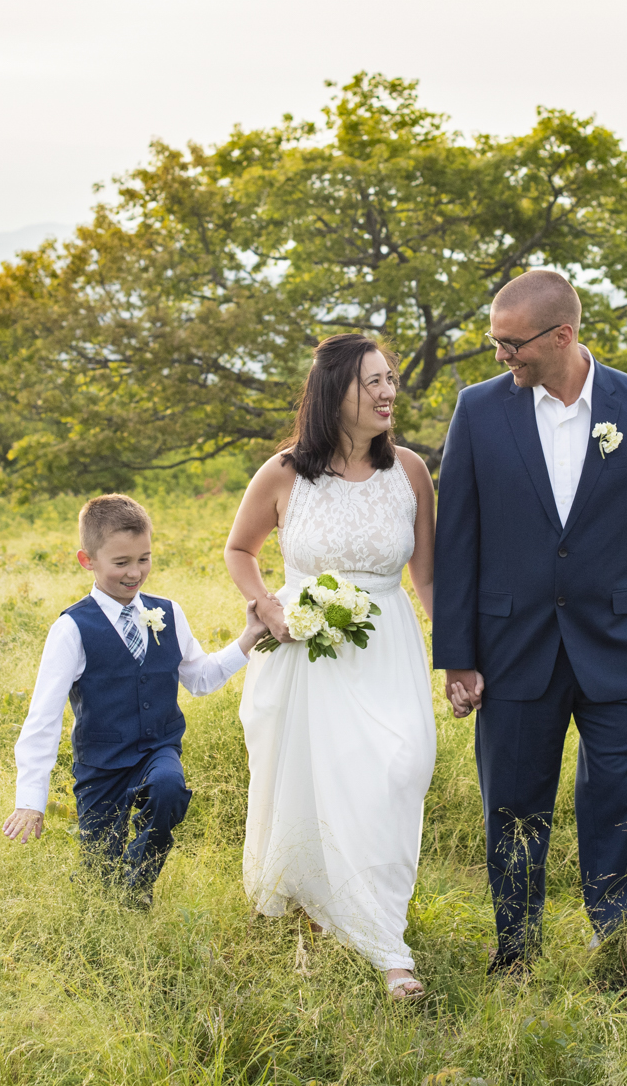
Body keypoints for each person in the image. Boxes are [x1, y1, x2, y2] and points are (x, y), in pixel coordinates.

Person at [435, 269, 627, 974]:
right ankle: (517, 951)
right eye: (494, 340)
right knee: (514, 805)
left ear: (562, 335)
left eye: (511, 342)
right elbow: (457, 540)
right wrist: (457, 654)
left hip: (620, 647)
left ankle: (614, 948)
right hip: (511, 648)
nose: (500, 355)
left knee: (623, 803)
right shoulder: (477, 410)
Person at [224, 333, 439, 1001]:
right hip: (307, 651)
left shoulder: (409, 471)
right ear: (332, 393)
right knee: (323, 784)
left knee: (399, 769)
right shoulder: (285, 471)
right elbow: (240, 548)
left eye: (391, 379)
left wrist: (461, 656)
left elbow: (426, 579)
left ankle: (368, 911)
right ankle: (379, 947)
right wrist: (268, 606)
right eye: (370, 382)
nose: (386, 393)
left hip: (388, 646)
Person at [2, 494, 264, 904]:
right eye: (121, 563)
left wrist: (248, 638)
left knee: (168, 788)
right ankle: (110, 896)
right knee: (97, 881)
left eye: (144, 559)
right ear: (86, 560)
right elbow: (44, 716)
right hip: (101, 767)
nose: (135, 572)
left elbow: (200, 678)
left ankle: (139, 885)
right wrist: (30, 801)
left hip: (157, 750)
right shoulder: (72, 629)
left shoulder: (169, 613)